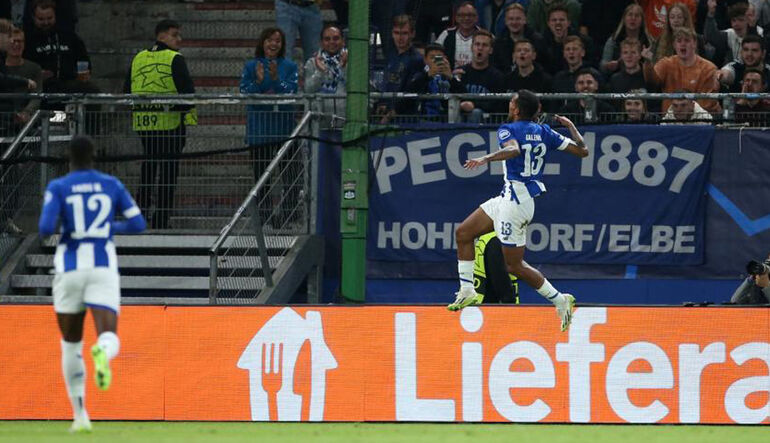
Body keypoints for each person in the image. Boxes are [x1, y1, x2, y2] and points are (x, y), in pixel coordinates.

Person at [448, 89, 588, 334]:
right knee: (463, 232)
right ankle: (468, 291)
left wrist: (485, 159)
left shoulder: (508, 129)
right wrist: (572, 127)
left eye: (512, 101)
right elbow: (582, 150)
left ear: (516, 109)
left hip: (516, 203)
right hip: (508, 198)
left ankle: (559, 299)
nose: (509, 104)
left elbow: (513, 150)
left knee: (514, 266)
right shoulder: (544, 132)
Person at [38, 135, 147, 433]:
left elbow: (46, 228)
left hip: (70, 269)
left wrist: (72, 226)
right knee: (109, 334)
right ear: (94, 156)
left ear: (68, 159)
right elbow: (138, 224)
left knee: (70, 344)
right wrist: (107, 227)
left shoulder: (58, 187)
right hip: (102, 267)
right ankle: (103, 351)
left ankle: (80, 415)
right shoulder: (111, 184)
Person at [125, 19, 196, 230]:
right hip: (170, 124)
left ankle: (141, 214)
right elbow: (188, 93)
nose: (179, 39)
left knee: (148, 169)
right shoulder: (175, 58)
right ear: (161, 36)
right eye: (175, 35)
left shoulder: (139, 57)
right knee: (168, 173)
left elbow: (126, 89)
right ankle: (161, 221)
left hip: (145, 124)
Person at [241, 27, 298, 224]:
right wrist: (258, 81)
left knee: (290, 177)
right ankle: (263, 217)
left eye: (277, 41)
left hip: (285, 131)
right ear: (262, 42)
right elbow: (245, 93)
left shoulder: (290, 66)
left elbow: (291, 92)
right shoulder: (251, 66)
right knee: (261, 179)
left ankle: (287, 216)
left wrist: (275, 79)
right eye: (269, 40)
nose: (273, 44)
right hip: (259, 131)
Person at [23, 0, 96, 95]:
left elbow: (84, 61)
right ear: (33, 18)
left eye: (49, 18)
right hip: (39, 87)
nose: (46, 22)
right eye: (41, 19)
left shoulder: (70, 37)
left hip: (68, 85)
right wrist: (37, 73)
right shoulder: (27, 40)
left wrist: (83, 74)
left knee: (92, 90)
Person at [643, 26, 720, 113]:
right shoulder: (666, 64)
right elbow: (652, 81)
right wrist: (648, 63)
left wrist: (687, 114)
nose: (683, 44)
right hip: (670, 119)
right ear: (674, 45)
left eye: (687, 40)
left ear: (694, 43)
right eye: (679, 41)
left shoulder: (709, 69)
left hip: (700, 119)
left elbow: (707, 103)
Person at [376, 14, 424, 123]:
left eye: (404, 33)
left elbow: (411, 92)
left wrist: (391, 114)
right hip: (386, 112)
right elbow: (387, 82)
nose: (400, 38)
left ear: (412, 34)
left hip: (405, 117)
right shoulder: (391, 55)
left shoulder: (416, 59)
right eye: (396, 33)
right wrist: (382, 103)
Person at [454, 29, 505, 122]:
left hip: (486, 122)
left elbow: (498, 105)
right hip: (460, 117)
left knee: (475, 112)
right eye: (477, 44)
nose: (480, 48)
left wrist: (474, 105)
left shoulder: (497, 76)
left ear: (491, 50)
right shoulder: (461, 72)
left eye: (484, 45)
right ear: (471, 47)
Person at [405, 43, 465, 119]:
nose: (435, 61)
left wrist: (451, 78)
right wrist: (428, 76)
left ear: (445, 58)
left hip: (447, 120)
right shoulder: (418, 75)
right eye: (432, 57)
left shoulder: (452, 77)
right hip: (422, 119)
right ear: (425, 59)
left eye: (439, 58)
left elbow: (465, 95)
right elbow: (410, 92)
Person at [304, 24, 347, 121]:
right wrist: (320, 71)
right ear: (321, 43)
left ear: (343, 41)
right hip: (319, 122)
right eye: (327, 39)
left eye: (336, 38)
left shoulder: (352, 62)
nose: (332, 42)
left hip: (345, 121)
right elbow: (308, 90)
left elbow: (356, 87)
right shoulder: (312, 62)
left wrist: (344, 67)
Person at [599, 3, 654, 76]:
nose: (633, 18)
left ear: (642, 21)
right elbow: (602, 66)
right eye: (630, 15)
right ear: (624, 19)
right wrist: (608, 66)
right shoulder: (614, 40)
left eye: (637, 16)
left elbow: (657, 67)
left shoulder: (649, 42)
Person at [491, 3, 546, 73]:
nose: (514, 22)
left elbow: (544, 66)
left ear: (525, 20)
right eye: (511, 19)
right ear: (505, 21)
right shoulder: (498, 43)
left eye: (518, 19)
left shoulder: (537, 41)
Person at [5, 26, 42, 126]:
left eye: (20, 41)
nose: (17, 44)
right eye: (13, 41)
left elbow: (37, 95)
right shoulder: (2, 69)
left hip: (26, 120)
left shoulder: (35, 68)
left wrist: (26, 112)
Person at [705, 0, 759, 66]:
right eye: (733, 20)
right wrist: (711, 14)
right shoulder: (730, 33)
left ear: (748, 20)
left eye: (741, 20)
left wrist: (752, 28)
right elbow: (711, 37)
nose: (736, 24)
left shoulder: (759, 33)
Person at [473, 231, 519, 304]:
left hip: (479, 305)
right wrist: (510, 305)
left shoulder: (485, 238)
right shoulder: (497, 241)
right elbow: (500, 278)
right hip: (491, 309)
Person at [436, 2, 481, 68]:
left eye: (470, 15)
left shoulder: (485, 36)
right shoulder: (446, 34)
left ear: (476, 18)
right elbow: (435, 54)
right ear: (456, 18)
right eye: (462, 15)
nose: (466, 18)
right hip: (450, 75)